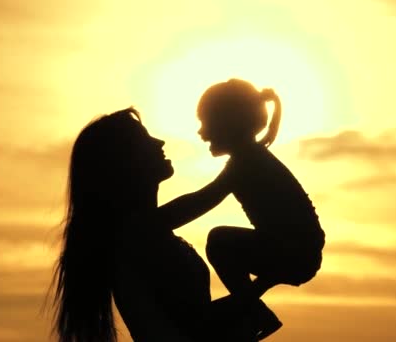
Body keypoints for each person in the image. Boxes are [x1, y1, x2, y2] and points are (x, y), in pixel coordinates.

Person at [49, 107, 257, 342]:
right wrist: (240, 165)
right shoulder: (136, 237)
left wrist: (258, 289)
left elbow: (194, 321)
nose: (159, 142)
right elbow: (203, 199)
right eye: (144, 139)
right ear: (124, 162)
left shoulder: (147, 233)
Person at [158, 79, 326, 340]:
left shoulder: (247, 162)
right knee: (223, 243)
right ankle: (252, 307)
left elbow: (201, 200)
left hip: (294, 250)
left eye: (207, 123)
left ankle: (252, 308)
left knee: (219, 240)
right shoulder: (251, 158)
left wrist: (150, 221)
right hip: (298, 250)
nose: (202, 133)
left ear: (229, 123)